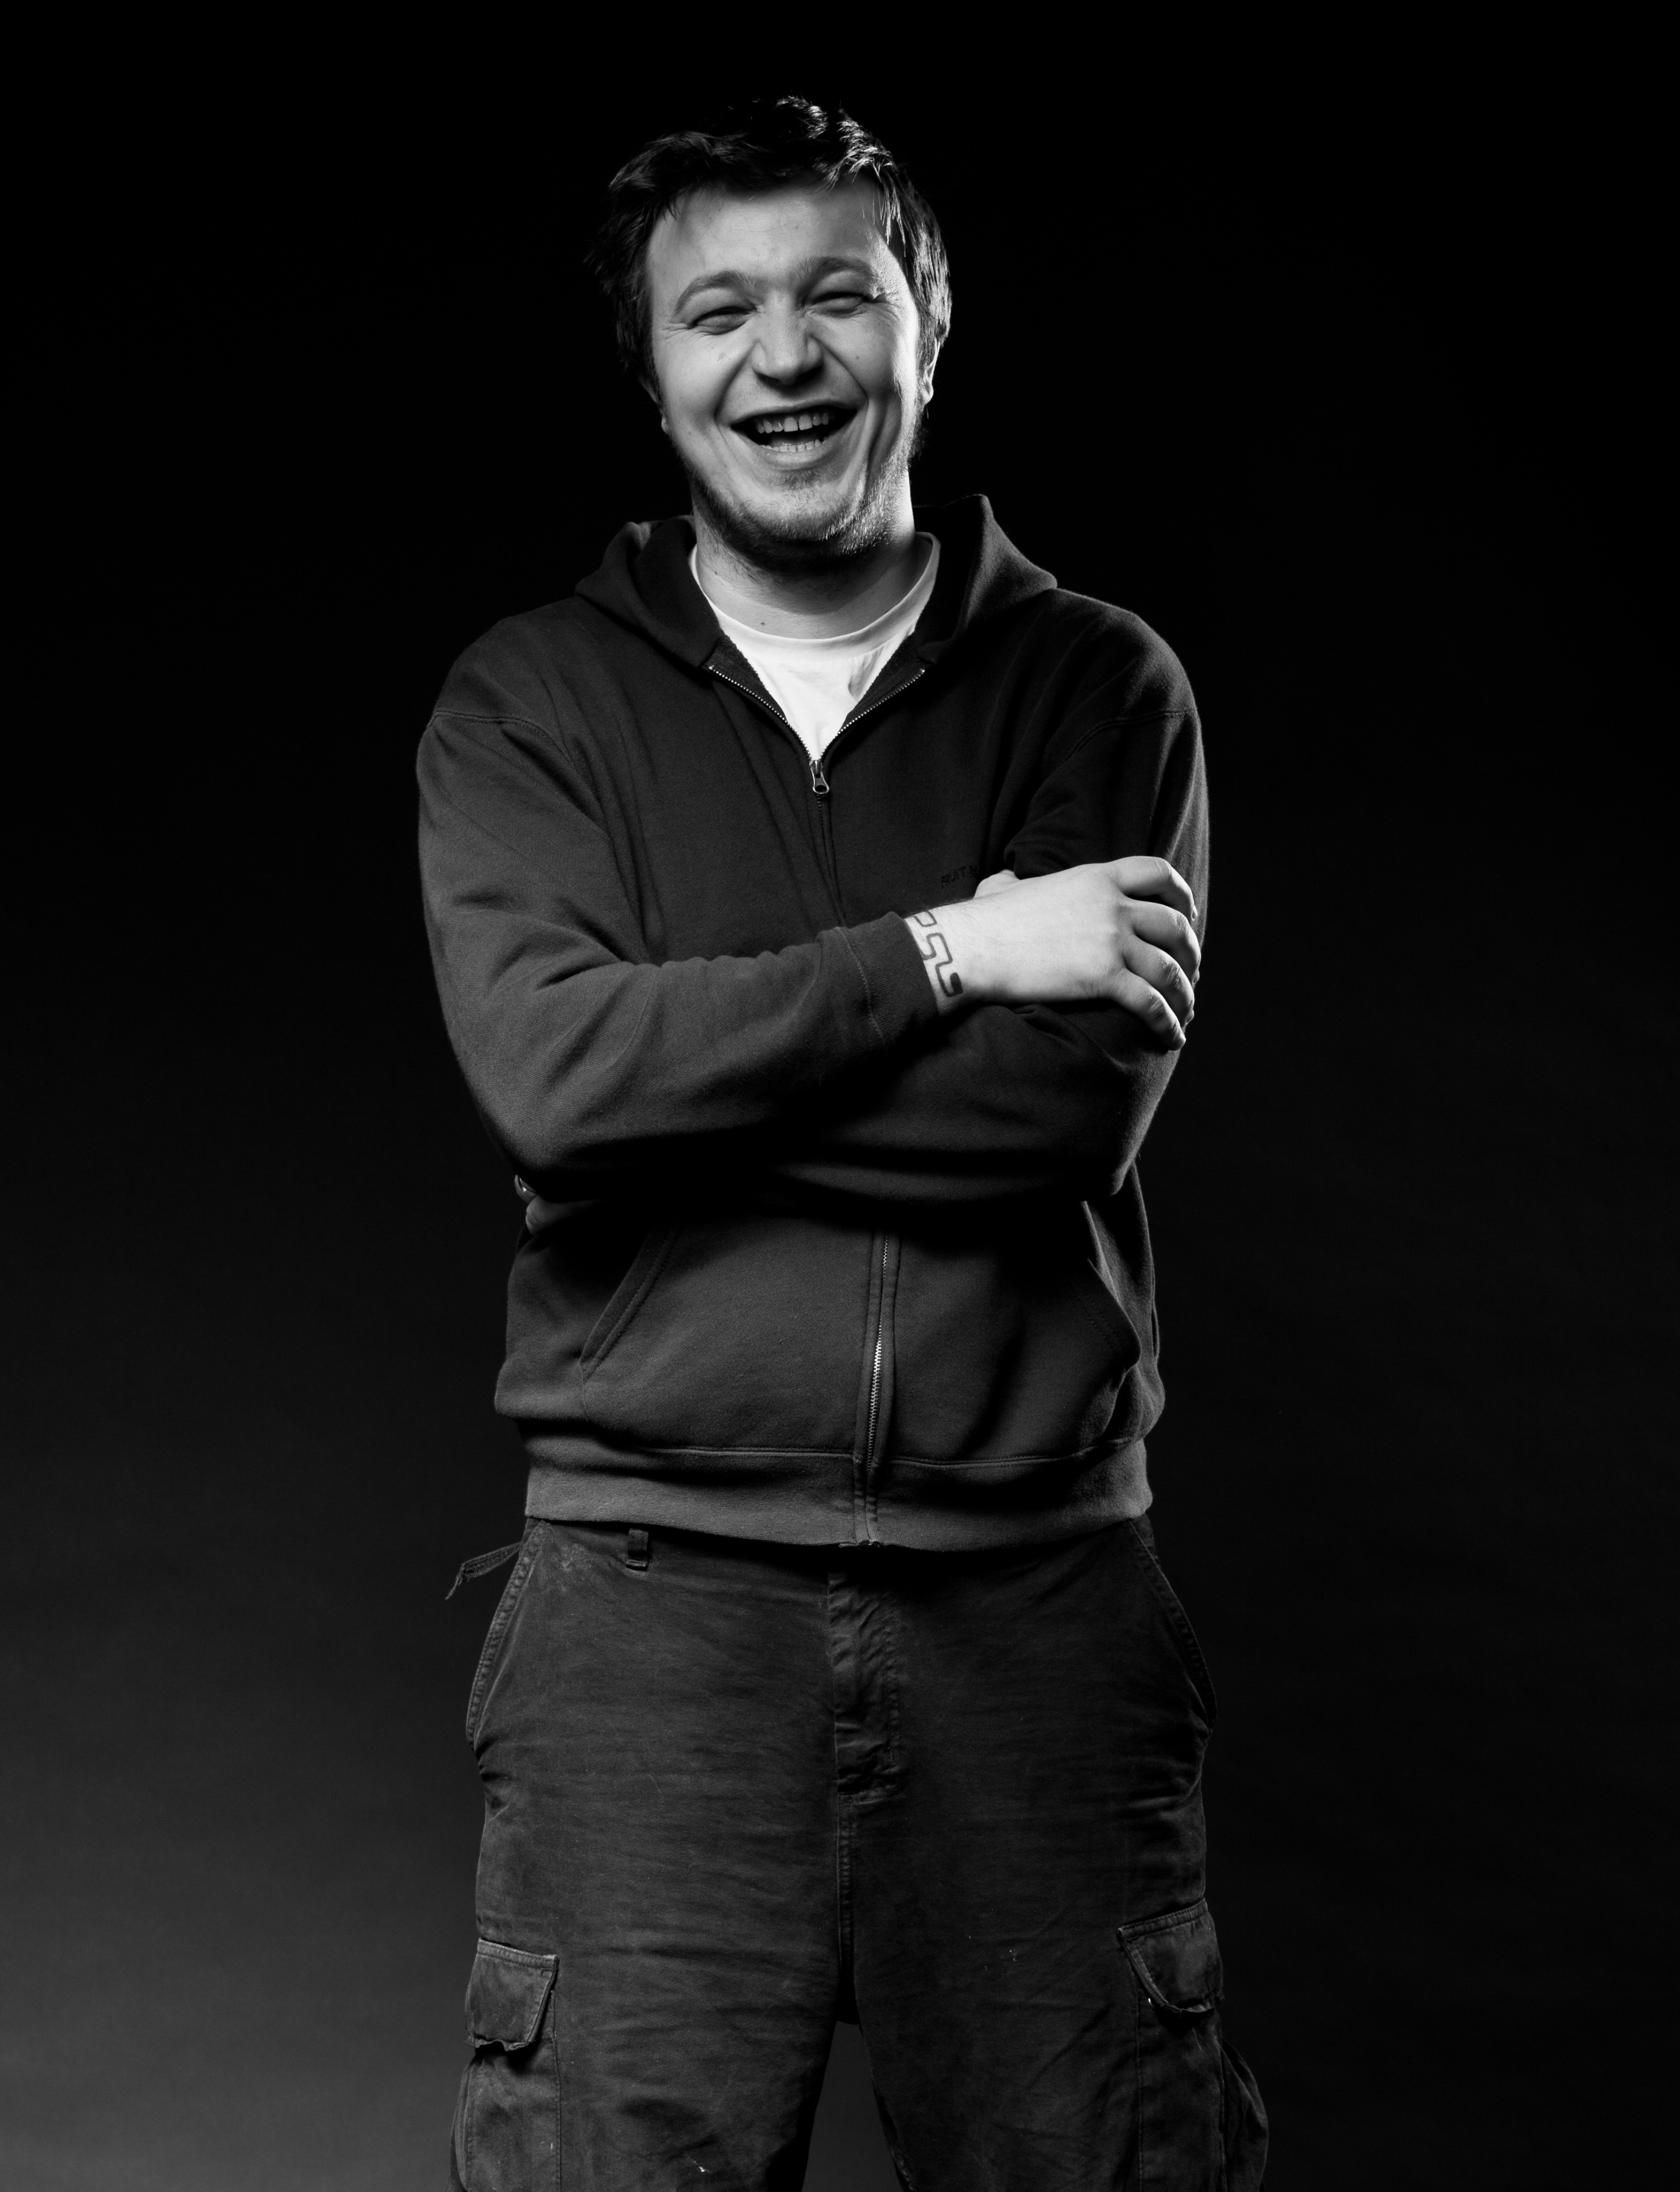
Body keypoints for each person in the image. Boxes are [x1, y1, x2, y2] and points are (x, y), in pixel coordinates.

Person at [419, 92, 1267, 2192]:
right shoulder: (532, 707)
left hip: (1035, 1604)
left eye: (837, 296)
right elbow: (556, 1083)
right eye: (717, 312)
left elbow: (1053, 1118)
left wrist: (670, 1087)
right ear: (656, 373)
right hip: (648, 1615)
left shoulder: (1098, 689)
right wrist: (955, 949)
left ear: (930, 325)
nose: (782, 357)